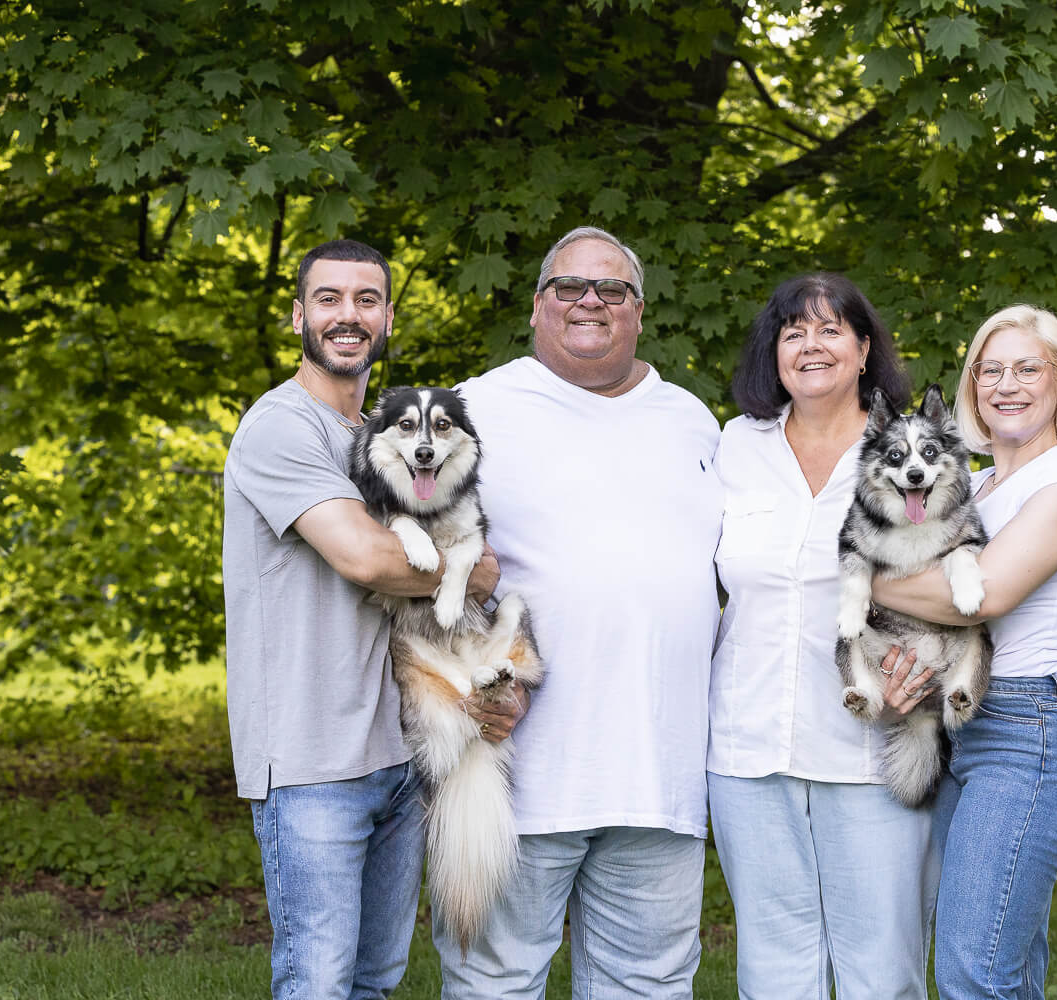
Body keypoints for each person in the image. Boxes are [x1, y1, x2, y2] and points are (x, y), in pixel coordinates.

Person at [222, 238, 520, 1000]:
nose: (347, 316)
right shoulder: (280, 428)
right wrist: (474, 566)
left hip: (394, 749)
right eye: (328, 299)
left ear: (387, 316)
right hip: (312, 758)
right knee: (317, 983)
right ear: (298, 316)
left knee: (374, 982)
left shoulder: (379, 440)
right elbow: (368, 558)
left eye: (365, 300)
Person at [432, 227, 725, 999]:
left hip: (659, 776)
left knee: (651, 984)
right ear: (537, 306)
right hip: (515, 765)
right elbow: (406, 566)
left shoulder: (693, 420)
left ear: (639, 310)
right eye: (569, 286)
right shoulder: (473, 410)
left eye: (612, 290)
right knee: (495, 983)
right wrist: (458, 685)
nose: (590, 301)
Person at [709, 273, 940, 998]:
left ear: (864, 349)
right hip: (747, 749)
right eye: (793, 331)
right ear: (773, 352)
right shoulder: (735, 447)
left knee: (881, 969)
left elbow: (981, 554)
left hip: (874, 741)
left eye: (830, 329)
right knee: (774, 968)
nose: (810, 345)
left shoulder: (910, 451)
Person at [872, 304, 1057, 1000]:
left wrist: (850, 572)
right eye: (990, 369)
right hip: (962, 731)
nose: (1006, 384)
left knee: (975, 974)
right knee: (1002, 969)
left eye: (1027, 368)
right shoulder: (973, 487)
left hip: (1028, 736)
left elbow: (978, 598)